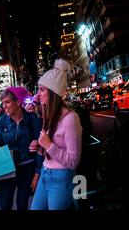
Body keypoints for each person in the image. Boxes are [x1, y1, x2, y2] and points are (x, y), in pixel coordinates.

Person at [30, 59, 83, 210]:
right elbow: (49, 148)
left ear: (53, 92)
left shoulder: (71, 119)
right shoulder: (48, 114)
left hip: (61, 178)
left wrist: (48, 145)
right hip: (45, 174)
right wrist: (40, 147)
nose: (38, 94)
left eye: (42, 89)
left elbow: (73, 161)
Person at [0, 87, 43, 210]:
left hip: (27, 168)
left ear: (18, 102)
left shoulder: (32, 119)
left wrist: (37, 173)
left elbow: (41, 147)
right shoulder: (2, 121)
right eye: (3, 103)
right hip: (7, 168)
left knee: (22, 203)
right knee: (5, 204)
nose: (4, 106)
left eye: (7, 102)